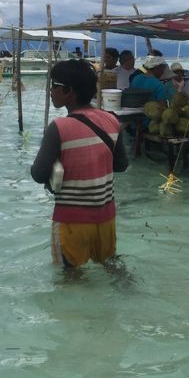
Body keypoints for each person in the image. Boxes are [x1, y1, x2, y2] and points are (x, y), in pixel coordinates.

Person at [30, 59, 128, 267]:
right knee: (111, 267)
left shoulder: (59, 127)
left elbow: (38, 174)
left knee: (72, 282)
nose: (50, 91)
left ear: (69, 91)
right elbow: (121, 165)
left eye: (54, 86)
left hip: (72, 221)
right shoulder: (112, 120)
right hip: (106, 218)